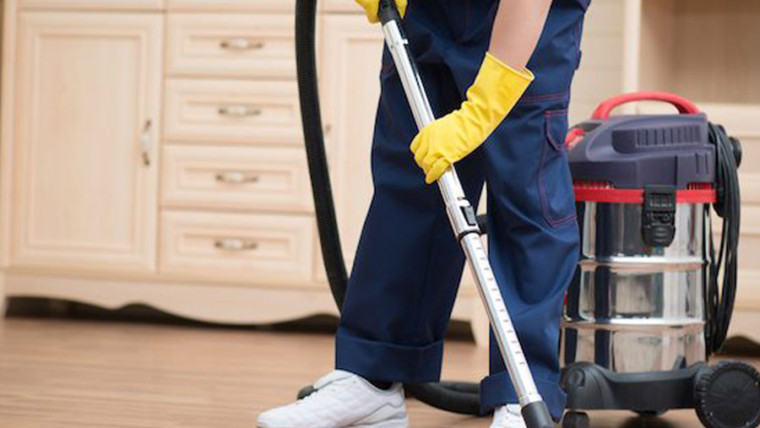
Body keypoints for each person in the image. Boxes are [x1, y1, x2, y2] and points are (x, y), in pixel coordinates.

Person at [258, 0, 589, 426]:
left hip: (527, 23)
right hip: (428, 13)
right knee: (410, 186)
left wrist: (482, 108)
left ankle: (523, 394)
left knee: (527, 199)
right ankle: (374, 377)